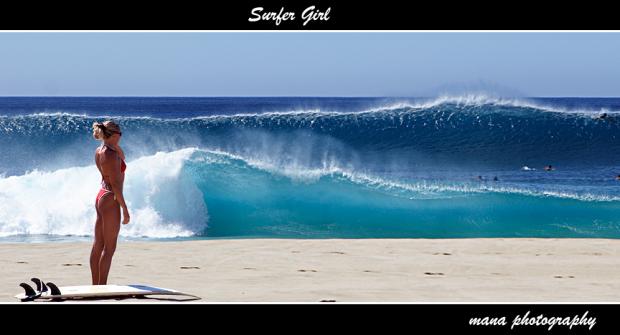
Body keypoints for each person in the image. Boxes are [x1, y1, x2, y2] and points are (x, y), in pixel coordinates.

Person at [90, 121, 130, 285]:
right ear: (114, 134)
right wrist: (125, 210)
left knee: (98, 244)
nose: (121, 136)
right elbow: (116, 186)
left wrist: (116, 147)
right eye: (120, 133)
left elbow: (121, 160)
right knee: (109, 248)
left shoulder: (100, 151)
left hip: (101, 195)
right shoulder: (110, 155)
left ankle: (95, 285)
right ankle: (101, 286)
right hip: (110, 198)